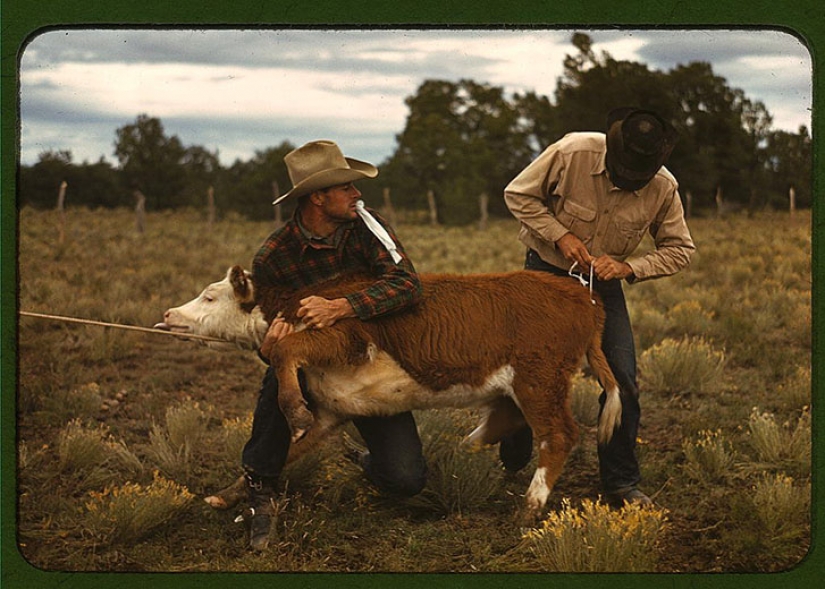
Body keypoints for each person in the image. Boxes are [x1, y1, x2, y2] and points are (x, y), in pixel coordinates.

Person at [503, 107, 696, 507]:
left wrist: (629, 266)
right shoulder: (572, 152)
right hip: (546, 273)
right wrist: (560, 236)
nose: (628, 178)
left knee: (622, 381)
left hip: (602, 286)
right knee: (530, 370)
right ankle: (516, 437)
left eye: (637, 175)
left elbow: (680, 250)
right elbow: (518, 194)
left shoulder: (664, 187)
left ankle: (620, 483)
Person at [242, 140, 426, 550]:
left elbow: (409, 285)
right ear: (318, 197)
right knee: (278, 383)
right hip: (312, 367)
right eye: (347, 187)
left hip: (369, 368)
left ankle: (367, 461)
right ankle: (259, 489)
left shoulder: (365, 226)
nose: (357, 194)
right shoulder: (274, 257)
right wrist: (269, 347)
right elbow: (269, 326)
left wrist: (342, 307)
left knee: (406, 480)